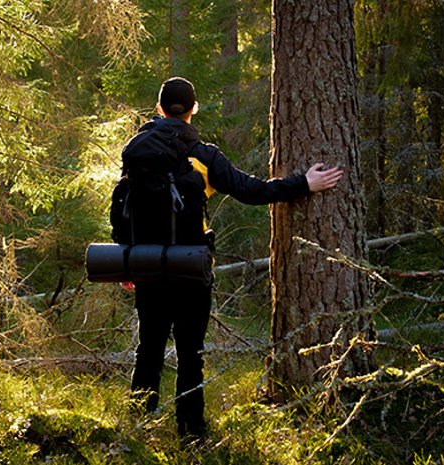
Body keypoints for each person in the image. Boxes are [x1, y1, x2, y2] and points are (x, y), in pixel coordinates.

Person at [125, 77, 343, 440]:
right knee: (190, 354)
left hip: (147, 265)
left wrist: (130, 260)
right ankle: (192, 436)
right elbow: (252, 190)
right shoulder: (205, 155)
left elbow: (124, 208)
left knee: (149, 348)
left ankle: (134, 430)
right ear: (194, 109)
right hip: (191, 267)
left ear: (159, 109)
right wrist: (303, 184)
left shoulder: (137, 153)